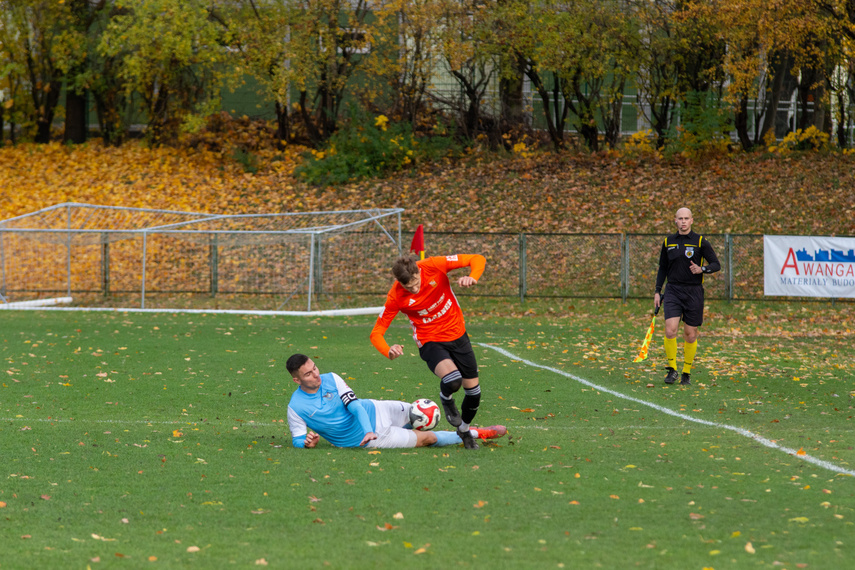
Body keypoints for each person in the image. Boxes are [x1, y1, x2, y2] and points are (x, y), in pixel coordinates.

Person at [370, 253, 486, 449]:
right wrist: (388, 351)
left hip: (458, 335)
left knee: (473, 394)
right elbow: (376, 333)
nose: (414, 289)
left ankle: (465, 430)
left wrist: (473, 276)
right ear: (399, 282)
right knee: (452, 380)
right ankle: (446, 398)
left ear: (419, 271)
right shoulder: (395, 296)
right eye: (409, 287)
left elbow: (476, 258)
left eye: (416, 282)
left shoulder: (434, 265)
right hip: (430, 341)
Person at [286, 353, 507, 449]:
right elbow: (297, 438)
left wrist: (367, 428)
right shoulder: (296, 408)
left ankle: (409, 426)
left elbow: (354, 406)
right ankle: (479, 433)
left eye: (315, 367)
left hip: (375, 409)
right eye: (308, 374)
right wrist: (306, 443)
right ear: (297, 380)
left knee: (417, 412)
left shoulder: (331, 378)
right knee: (427, 438)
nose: (316, 375)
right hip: (368, 440)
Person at [654, 207, 720, 386]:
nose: (683, 222)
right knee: (670, 330)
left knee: (690, 335)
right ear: (675, 220)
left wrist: (702, 269)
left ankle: (686, 372)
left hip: (694, 292)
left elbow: (716, 264)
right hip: (673, 290)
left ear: (692, 220)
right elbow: (662, 268)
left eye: (686, 218)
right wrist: (657, 291)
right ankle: (672, 370)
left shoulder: (700, 241)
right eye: (680, 218)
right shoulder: (668, 241)